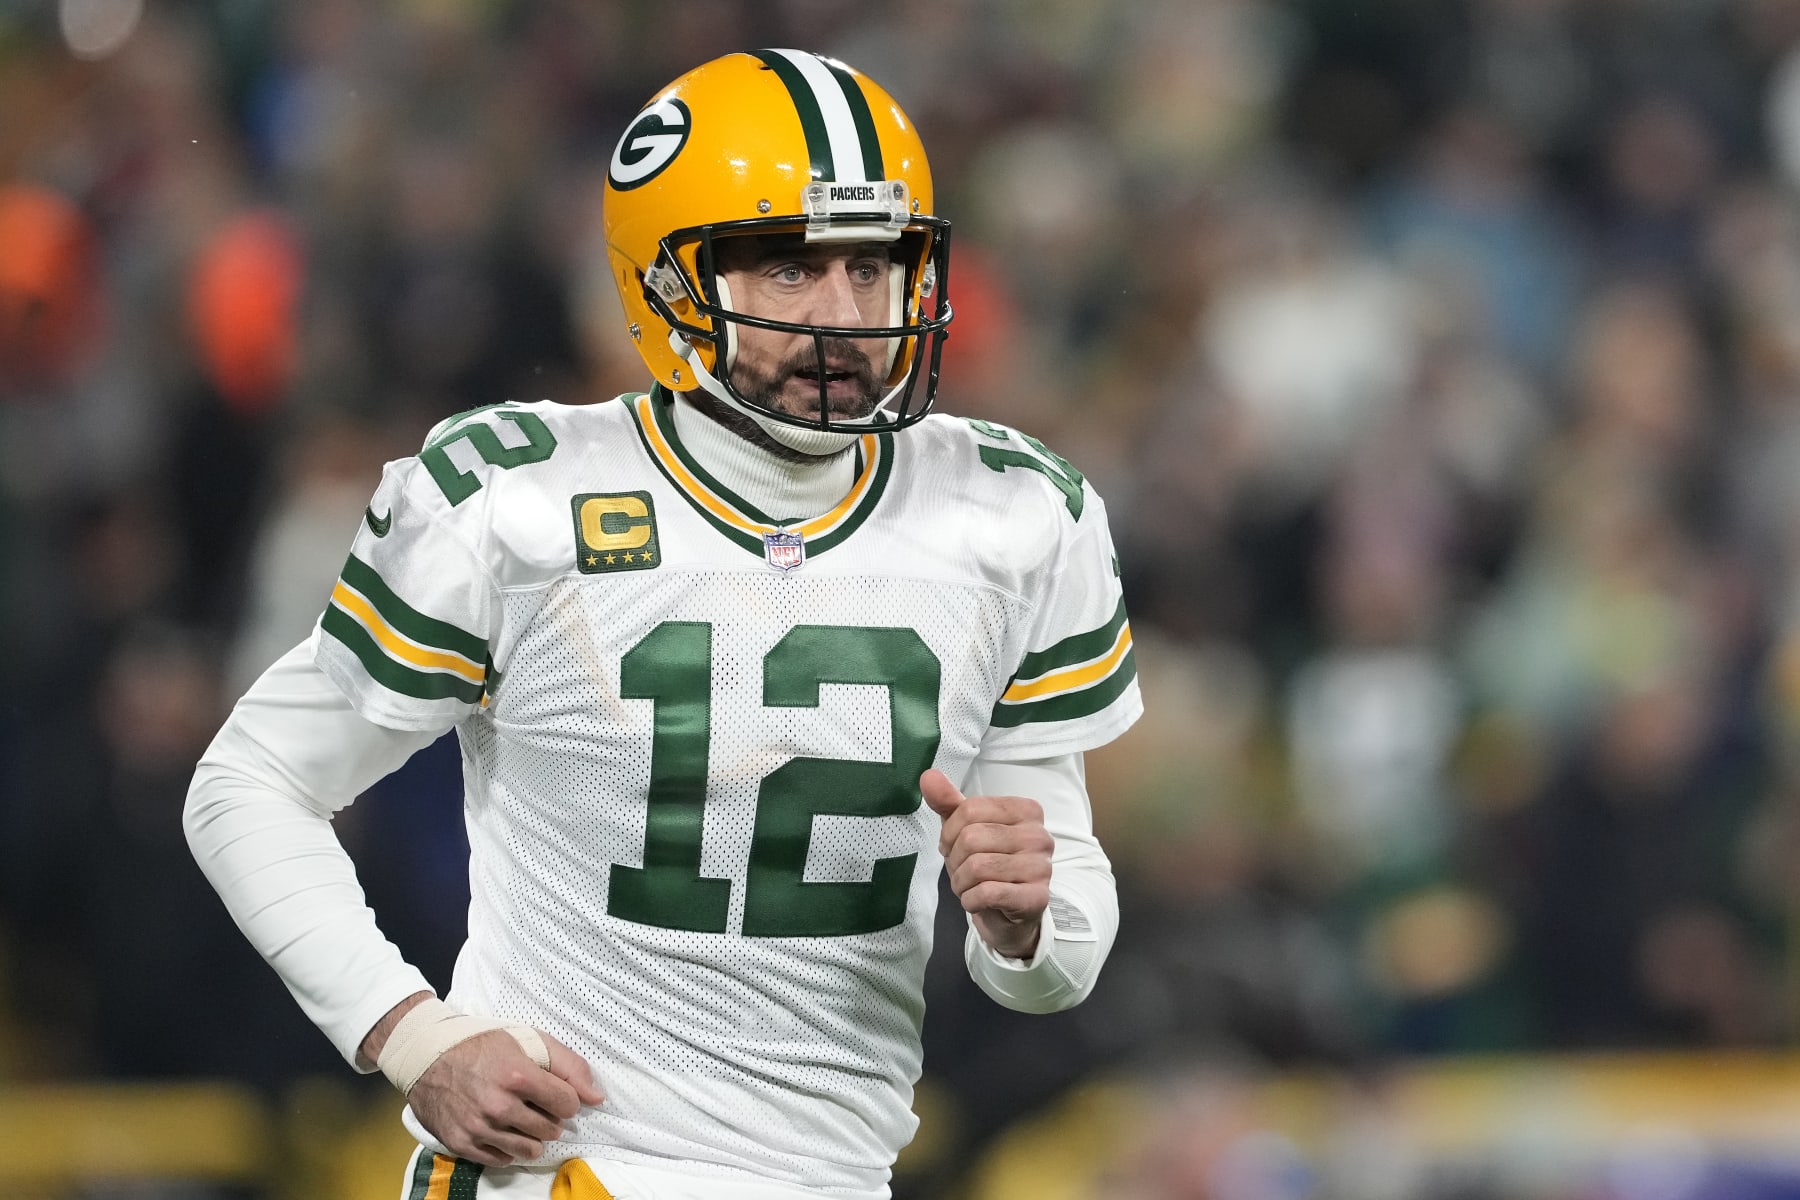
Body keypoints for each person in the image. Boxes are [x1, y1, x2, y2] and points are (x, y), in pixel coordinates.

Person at [185, 49, 1140, 1200]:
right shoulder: (518, 501)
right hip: (567, 1171)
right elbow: (248, 783)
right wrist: (411, 1035)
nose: (845, 317)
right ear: (666, 282)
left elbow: (1060, 945)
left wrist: (1027, 925)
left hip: (835, 1180)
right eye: (789, 268)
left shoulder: (1014, 515)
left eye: (872, 266)